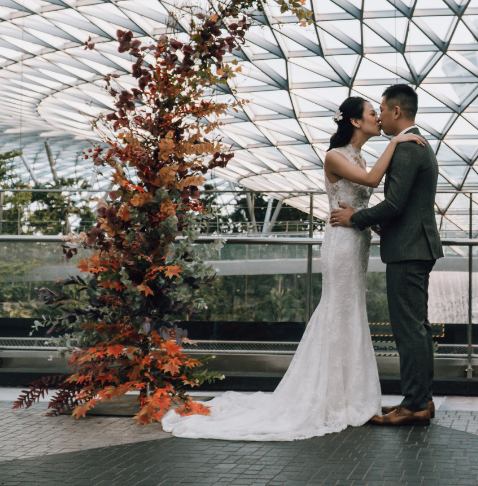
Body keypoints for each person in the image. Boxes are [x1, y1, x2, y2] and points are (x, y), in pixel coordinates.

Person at [161, 96, 425, 441]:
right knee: (337, 311)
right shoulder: (335, 155)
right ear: (356, 122)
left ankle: (348, 397)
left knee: (350, 313)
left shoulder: (359, 156)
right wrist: (396, 141)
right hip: (342, 245)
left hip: (357, 241)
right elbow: (373, 182)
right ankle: (328, 398)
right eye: (372, 113)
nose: (378, 117)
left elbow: (358, 200)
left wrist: (373, 223)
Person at [330, 84, 443, 427]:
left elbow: (394, 205)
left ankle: (414, 404)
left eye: (381, 109)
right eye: (371, 111)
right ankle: (420, 399)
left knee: (410, 329)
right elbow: (401, 206)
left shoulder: (408, 148)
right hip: (412, 246)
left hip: (409, 249)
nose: (379, 115)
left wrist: (355, 219)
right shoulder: (410, 144)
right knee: (417, 328)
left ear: (396, 111)